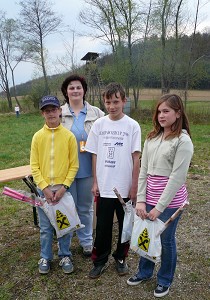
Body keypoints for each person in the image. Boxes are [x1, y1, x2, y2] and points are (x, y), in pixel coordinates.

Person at [127, 94, 194, 298]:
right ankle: (145, 272)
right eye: (159, 111)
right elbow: (144, 170)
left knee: (165, 239)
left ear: (178, 113)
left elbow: (177, 177)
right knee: (146, 234)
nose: (161, 115)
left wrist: (160, 208)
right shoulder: (152, 138)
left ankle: (165, 279)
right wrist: (141, 200)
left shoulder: (183, 141)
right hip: (149, 199)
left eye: (166, 111)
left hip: (171, 203)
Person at [85, 82, 141, 279]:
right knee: (102, 227)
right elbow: (94, 155)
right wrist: (95, 182)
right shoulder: (99, 125)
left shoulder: (132, 125)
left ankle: (121, 258)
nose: (112, 106)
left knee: (125, 226)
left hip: (124, 189)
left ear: (124, 101)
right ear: (104, 102)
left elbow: (136, 158)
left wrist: (134, 187)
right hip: (105, 187)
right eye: (108, 102)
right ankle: (99, 260)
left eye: (116, 101)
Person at [30, 95, 79, 274]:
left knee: (64, 225)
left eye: (54, 110)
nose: (51, 113)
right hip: (43, 189)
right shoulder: (37, 137)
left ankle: (65, 254)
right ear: (43, 114)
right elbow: (34, 166)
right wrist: (43, 187)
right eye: (47, 111)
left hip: (62, 190)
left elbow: (74, 165)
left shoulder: (68, 137)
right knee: (45, 227)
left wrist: (63, 187)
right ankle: (45, 256)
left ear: (60, 111)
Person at [61, 74, 104, 257]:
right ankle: (66, 242)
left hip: (88, 170)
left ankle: (86, 241)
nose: (75, 90)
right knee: (68, 207)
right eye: (71, 87)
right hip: (65, 172)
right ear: (66, 91)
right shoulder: (59, 113)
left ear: (84, 90)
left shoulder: (97, 114)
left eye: (79, 87)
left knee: (85, 208)